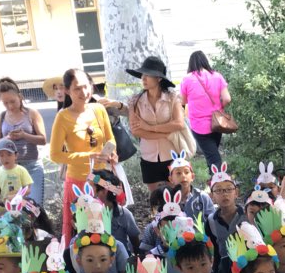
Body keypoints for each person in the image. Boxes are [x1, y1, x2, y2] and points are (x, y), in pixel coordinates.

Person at [49, 68, 119, 245]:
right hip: (78, 182)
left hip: (102, 180)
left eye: (86, 86)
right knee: (81, 229)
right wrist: (88, 156)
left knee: (108, 223)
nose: (84, 92)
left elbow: (110, 138)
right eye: (77, 88)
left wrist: (112, 153)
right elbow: (55, 155)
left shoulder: (99, 109)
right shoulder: (62, 117)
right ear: (67, 91)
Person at [127, 56, 185, 194]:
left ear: (159, 78)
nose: (143, 78)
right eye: (142, 75)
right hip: (148, 156)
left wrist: (149, 128)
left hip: (172, 154)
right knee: (155, 198)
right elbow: (136, 130)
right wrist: (165, 133)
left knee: (176, 196)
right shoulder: (135, 101)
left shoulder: (172, 97)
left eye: (148, 75)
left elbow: (179, 123)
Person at [0, 77, 47, 205]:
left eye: (13, 101)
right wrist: (6, 139)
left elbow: (43, 139)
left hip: (32, 166)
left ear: (20, 97)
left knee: (33, 205)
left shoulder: (31, 113)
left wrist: (24, 135)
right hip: (10, 168)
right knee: (13, 206)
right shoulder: (1, 117)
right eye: (5, 103)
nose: (10, 106)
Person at [180, 50, 231, 170]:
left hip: (199, 126)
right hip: (217, 123)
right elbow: (227, 99)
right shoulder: (217, 76)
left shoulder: (187, 79)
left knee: (214, 159)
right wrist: (219, 108)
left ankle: (219, 179)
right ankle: (213, 176)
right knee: (212, 154)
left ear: (191, 64)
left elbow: (183, 101)